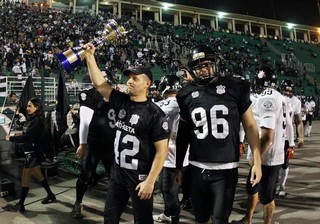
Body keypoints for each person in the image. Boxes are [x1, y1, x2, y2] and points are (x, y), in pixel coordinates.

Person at [174, 45, 262, 224]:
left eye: (206, 64)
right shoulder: (185, 94)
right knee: (201, 218)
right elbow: (183, 134)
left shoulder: (235, 86)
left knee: (219, 219)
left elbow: (251, 126)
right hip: (196, 167)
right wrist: (178, 166)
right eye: (198, 66)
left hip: (226, 169)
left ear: (215, 63)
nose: (203, 69)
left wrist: (257, 161)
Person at [84, 42, 169, 223]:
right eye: (129, 77)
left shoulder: (155, 113)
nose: (129, 81)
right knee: (110, 218)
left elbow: (162, 151)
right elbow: (99, 84)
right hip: (117, 176)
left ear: (147, 83)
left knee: (143, 220)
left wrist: (150, 181)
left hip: (140, 179)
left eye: (135, 78)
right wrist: (90, 57)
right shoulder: (121, 101)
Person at [233, 66, 292, 224]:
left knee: (266, 196)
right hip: (267, 154)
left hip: (269, 157)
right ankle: (248, 218)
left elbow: (267, 136)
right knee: (252, 188)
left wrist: (256, 159)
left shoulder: (269, 98)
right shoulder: (277, 96)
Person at [70, 81, 116, 218]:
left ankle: (115, 204)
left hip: (110, 143)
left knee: (114, 177)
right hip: (94, 143)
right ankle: (78, 202)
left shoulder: (114, 95)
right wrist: (83, 143)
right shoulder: (90, 95)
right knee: (86, 174)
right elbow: (85, 120)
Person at [2, 97, 56, 213]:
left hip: (34, 153)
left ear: (36, 107)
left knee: (24, 178)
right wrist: (17, 118)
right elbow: (25, 129)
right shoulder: (32, 119)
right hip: (30, 152)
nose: (27, 108)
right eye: (27, 106)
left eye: (29, 106)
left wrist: (11, 138)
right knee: (39, 176)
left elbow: (28, 137)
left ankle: (20, 204)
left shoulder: (38, 122)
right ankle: (51, 195)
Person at [152, 74, 186, 224]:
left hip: (169, 155)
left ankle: (175, 220)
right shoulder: (186, 103)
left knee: (169, 191)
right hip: (185, 154)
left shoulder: (161, 105)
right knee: (171, 190)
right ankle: (167, 214)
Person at [277, 79, 302, 197]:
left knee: (285, 162)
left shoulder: (296, 101)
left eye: (290, 90)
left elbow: (298, 121)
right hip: (276, 133)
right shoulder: (277, 97)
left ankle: (282, 185)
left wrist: (300, 137)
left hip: (286, 135)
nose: (288, 92)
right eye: (286, 89)